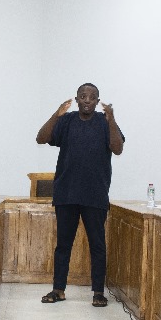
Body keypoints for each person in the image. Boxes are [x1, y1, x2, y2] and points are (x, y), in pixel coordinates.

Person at [36, 83, 124, 307]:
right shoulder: (66, 121)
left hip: (95, 194)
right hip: (66, 192)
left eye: (92, 97)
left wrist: (111, 118)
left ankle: (98, 292)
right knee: (63, 245)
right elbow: (41, 138)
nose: (87, 100)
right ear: (76, 99)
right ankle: (58, 289)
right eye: (83, 96)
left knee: (98, 245)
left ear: (97, 101)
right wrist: (56, 114)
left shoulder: (105, 123)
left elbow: (117, 148)